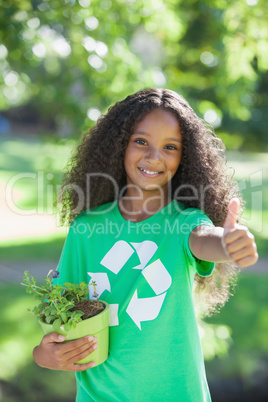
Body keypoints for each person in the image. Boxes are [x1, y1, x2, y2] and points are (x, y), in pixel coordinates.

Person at [33, 88, 258, 401]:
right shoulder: (86, 230)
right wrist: (44, 355)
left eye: (170, 147)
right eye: (141, 141)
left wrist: (228, 243)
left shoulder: (183, 222)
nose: (154, 157)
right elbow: (60, 317)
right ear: (118, 145)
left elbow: (206, 240)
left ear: (185, 158)